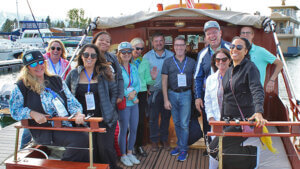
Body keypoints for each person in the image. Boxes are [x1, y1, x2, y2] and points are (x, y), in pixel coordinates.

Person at [9, 50, 88, 162]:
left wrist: (78, 113)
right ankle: (64, 165)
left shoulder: (56, 80)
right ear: (27, 68)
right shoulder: (21, 86)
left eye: (41, 62)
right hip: (45, 130)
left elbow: (72, 102)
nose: (38, 66)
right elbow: (15, 110)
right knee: (81, 138)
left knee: (88, 134)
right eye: (33, 64)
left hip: (66, 124)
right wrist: (31, 113)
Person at [208, 37, 267, 169]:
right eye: (232, 46)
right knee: (221, 149)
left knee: (214, 148)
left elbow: (257, 89)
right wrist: (222, 121)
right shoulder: (229, 71)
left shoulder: (250, 68)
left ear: (245, 51)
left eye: (239, 47)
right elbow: (226, 99)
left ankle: (252, 156)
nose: (235, 49)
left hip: (242, 121)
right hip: (228, 121)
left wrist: (258, 112)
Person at [65, 44, 121, 169]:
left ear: (97, 58)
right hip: (82, 119)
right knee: (90, 148)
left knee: (105, 147)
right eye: (86, 54)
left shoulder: (104, 73)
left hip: (104, 117)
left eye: (93, 55)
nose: (89, 58)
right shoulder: (73, 74)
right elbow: (66, 95)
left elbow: (114, 91)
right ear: (81, 56)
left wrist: (110, 109)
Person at [194, 21, 230, 139]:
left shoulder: (231, 48)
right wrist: (198, 97)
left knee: (229, 124)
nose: (212, 36)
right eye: (209, 34)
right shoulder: (202, 54)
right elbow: (197, 77)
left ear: (220, 33)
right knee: (208, 122)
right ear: (206, 37)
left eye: (214, 32)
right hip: (208, 97)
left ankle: (228, 149)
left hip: (230, 96)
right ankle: (210, 149)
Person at [161, 36, 196, 161]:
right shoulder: (168, 62)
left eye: (182, 45)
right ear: (173, 47)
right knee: (176, 122)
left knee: (184, 124)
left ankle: (183, 149)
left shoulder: (192, 62)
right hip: (172, 94)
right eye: (177, 45)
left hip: (186, 94)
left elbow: (194, 81)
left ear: (185, 47)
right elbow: (164, 81)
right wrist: (165, 99)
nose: (179, 47)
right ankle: (180, 145)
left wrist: (196, 98)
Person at [141, 32, 174, 151]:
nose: (159, 43)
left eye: (161, 41)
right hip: (153, 92)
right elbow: (142, 75)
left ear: (164, 42)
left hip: (168, 93)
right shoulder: (146, 57)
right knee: (153, 118)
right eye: (156, 41)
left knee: (166, 118)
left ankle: (164, 139)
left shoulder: (171, 55)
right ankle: (154, 141)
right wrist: (146, 88)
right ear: (152, 43)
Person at [204, 49, 231, 168]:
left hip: (232, 122)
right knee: (214, 150)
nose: (221, 62)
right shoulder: (210, 79)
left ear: (229, 61)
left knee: (230, 151)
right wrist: (210, 117)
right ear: (215, 62)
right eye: (218, 59)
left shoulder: (236, 77)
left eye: (224, 59)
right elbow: (207, 100)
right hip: (216, 121)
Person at [131, 37, 157, 157]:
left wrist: (153, 78)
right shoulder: (125, 60)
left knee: (140, 121)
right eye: (137, 48)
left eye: (141, 48)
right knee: (127, 122)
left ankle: (139, 145)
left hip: (141, 93)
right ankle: (129, 147)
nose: (139, 51)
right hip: (128, 94)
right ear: (131, 47)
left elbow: (148, 81)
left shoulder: (144, 62)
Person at [116, 42, 141, 167]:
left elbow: (138, 84)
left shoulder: (134, 67)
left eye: (128, 52)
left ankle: (130, 152)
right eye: (123, 52)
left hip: (134, 103)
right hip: (125, 104)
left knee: (134, 129)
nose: (126, 54)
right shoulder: (117, 69)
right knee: (123, 129)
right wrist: (128, 94)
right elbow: (117, 86)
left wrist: (134, 93)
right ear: (119, 54)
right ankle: (123, 155)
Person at [240, 26, 283, 92]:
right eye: (243, 33)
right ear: (240, 36)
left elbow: (280, 64)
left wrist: (272, 80)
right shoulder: (236, 52)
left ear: (252, 35)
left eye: (248, 33)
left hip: (255, 93)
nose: (245, 35)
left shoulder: (261, 51)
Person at [92, 31, 124, 105]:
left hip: (111, 98)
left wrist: (120, 95)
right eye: (101, 40)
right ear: (94, 42)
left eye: (107, 41)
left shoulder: (112, 57)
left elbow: (119, 76)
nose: (104, 42)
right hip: (96, 98)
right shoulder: (89, 56)